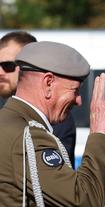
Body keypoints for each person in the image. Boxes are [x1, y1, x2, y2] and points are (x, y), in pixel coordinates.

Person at [0, 41, 105, 207]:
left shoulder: (10, 123)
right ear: (48, 83)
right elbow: (86, 200)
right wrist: (99, 133)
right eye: (75, 90)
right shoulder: (28, 137)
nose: (79, 101)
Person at [0, 31, 76, 166]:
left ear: (29, 67)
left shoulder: (54, 115)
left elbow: (52, 179)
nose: (0, 72)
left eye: (7, 66)